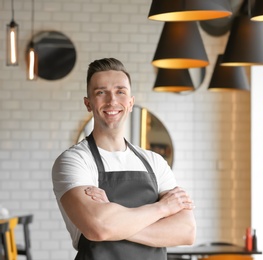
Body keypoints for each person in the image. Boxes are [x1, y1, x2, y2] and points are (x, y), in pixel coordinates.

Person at [52, 58, 196, 260]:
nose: (112, 101)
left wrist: (114, 222)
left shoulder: (155, 162)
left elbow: (186, 231)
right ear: (88, 103)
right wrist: (162, 208)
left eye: (120, 92)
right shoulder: (74, 161)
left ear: (130, 102)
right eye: (101, 92)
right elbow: (99, 228)